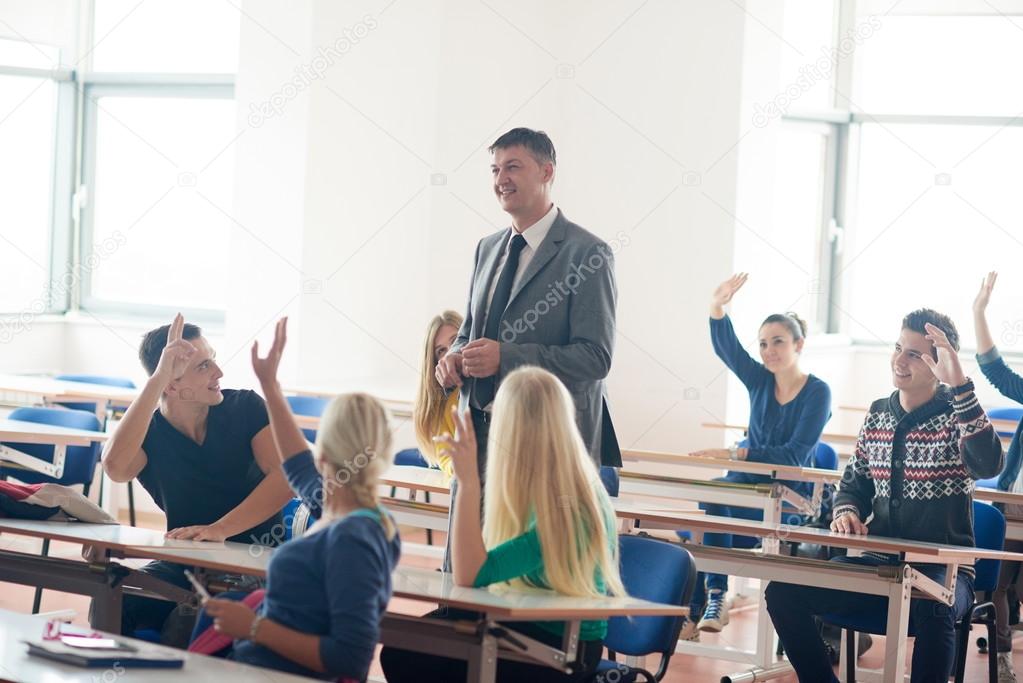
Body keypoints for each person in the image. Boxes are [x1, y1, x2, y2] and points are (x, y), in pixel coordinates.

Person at [766, 309, 1004, 683]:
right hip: (881, 567)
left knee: (936, 608)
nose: (899, 360)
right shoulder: (878, 413)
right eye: (898, 348)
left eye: (914, 353)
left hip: (944, 574)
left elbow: (989, 464)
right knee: (783, 592)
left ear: (940, 363)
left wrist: (960, 386)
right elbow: (854, 484)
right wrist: (845, 511)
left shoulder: (958, 414)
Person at [380, 366, 624, 682]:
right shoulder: (549, 483)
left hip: (563, 647)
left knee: (408, 657)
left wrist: (468, 483)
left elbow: (470, 575)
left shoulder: (568, 504)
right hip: (523, 622)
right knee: (405, 646)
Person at [195, 317, 401, 681]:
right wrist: (270, 386)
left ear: (324, 452)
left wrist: (254, 627)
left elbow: (351, 659)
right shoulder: (335, 505)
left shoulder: (352, 538)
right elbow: (294, 463)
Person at [434, 127, 621, 473]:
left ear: (546, 172)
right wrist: (456, 357)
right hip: (475, 436)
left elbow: (594, 358)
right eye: (495, 169)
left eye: (513, 167)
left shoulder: (588, 254)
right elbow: (471, 332)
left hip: (545, 443)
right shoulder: (486, 248)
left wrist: (506, 358)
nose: (501, 179)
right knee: (467, 530)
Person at [101, 314, 293, 641]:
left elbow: (286, 479)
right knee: (115, 599)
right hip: (186, 564)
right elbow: (116, 468)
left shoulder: (245, 407)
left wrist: (219, 530)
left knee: (187, 622)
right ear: (172, 384)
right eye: (204, 366)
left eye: (213, 360)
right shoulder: (150, 432)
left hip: (255, 561)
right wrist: (157, 379)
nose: (219, 373)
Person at [686, 273, 831, 637]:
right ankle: (714, 598)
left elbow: (794, 456)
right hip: (746, 488)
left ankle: (698, 604)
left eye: (778, 342)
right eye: (764, 344)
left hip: (792, 498)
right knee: (713, 501)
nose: (769, 351)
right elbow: (729, 349)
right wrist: (717, 307)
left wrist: (738, 452)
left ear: (799, 344)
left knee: (708, 526)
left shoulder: (818, 392)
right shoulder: (759, 380)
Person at [973, 271, 1023, 683]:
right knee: (999, 586)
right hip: (1014, 503)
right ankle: (1002, 654)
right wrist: (979, 311)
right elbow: (995, 370)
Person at [412, 310, 463, 480]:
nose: (450, 353)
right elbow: (446, 458)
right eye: (441, 351)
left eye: (455, 341)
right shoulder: (444, 404)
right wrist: (458, 466)